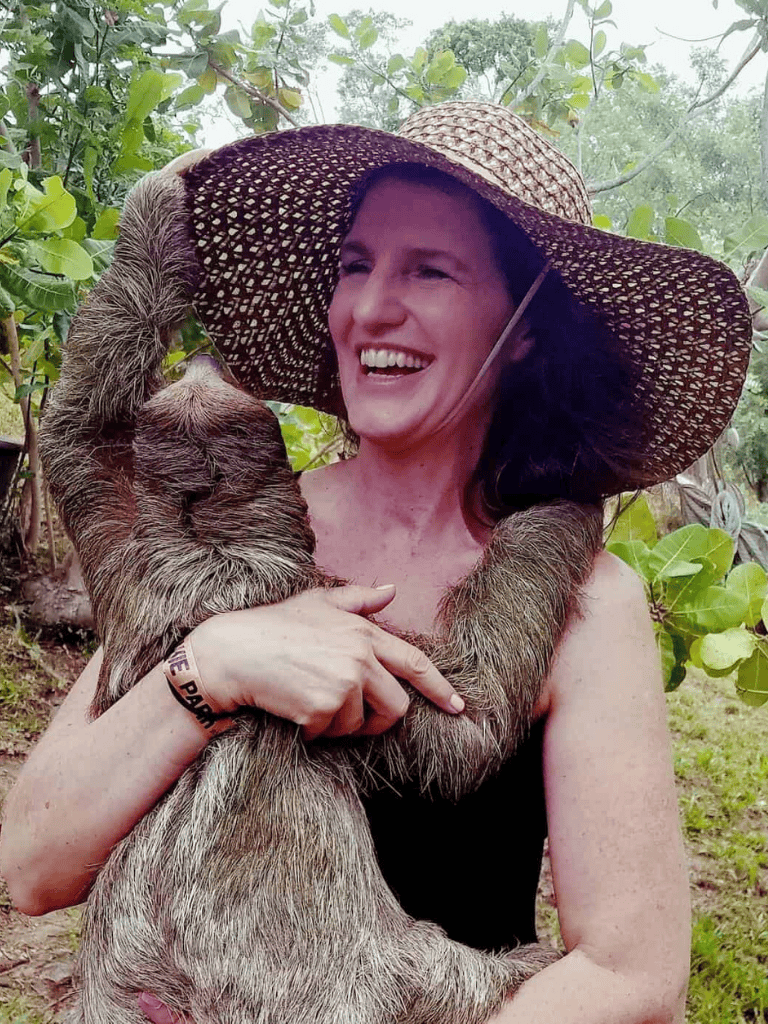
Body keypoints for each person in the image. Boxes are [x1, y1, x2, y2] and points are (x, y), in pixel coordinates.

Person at [0, 101, 752, 1023]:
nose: (369, 305)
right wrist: (214, 668)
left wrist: (553, 525)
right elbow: (32, 872)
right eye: (354, 266)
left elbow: (636, 976)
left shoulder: (589, 603)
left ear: (521, 329)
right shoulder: (200, 553)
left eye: (429, 270)